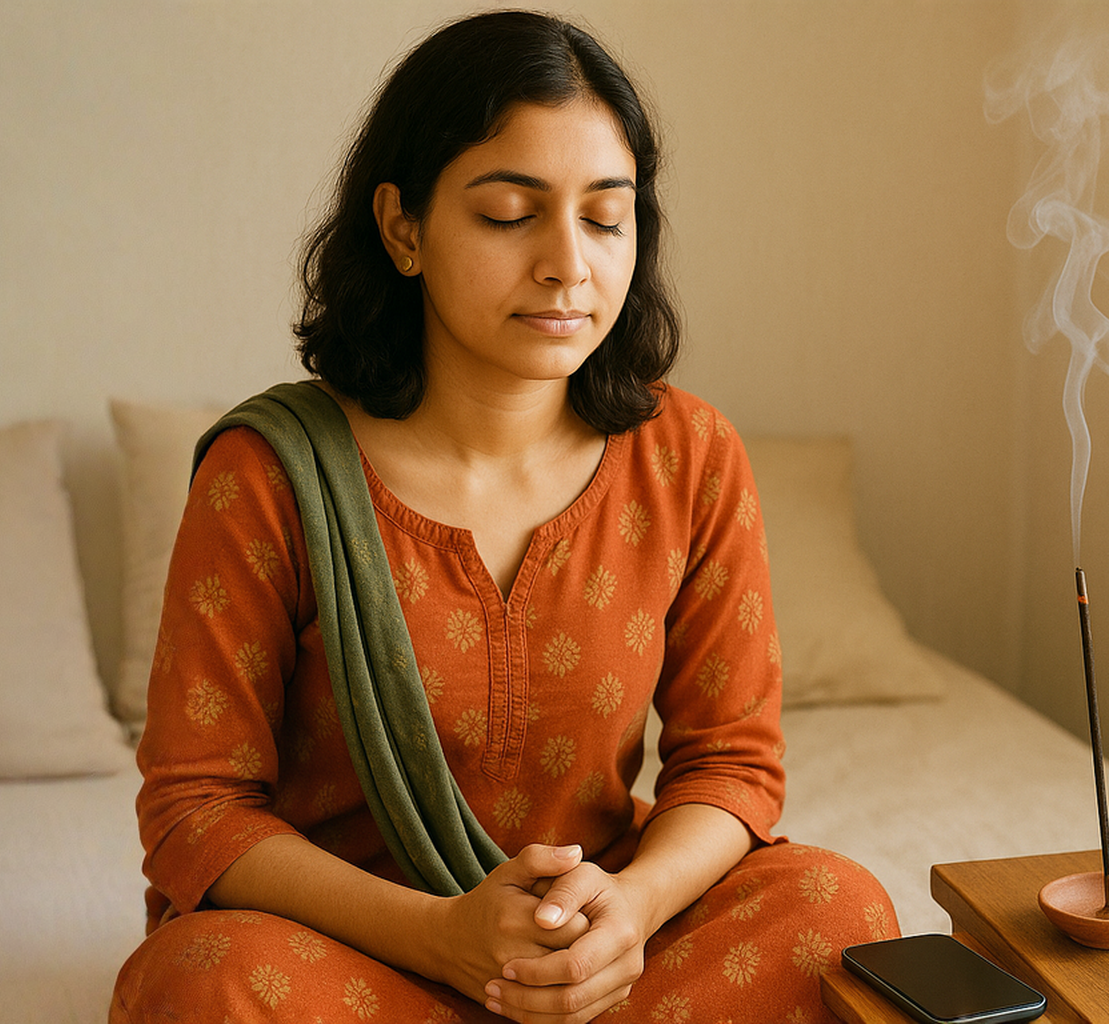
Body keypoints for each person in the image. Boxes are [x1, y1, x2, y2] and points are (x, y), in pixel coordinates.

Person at [110, 10, 897, 1023]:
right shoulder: (271, 472)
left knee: (835, 910)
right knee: (202, 981)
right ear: (402, 228)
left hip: (604, 945)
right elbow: (195, 808)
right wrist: (442, 936)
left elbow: (731, 763)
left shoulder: (687, 456)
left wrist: (628, 909)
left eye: (605, 218)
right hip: (359, 948)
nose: (568, 264)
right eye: (508, 214)